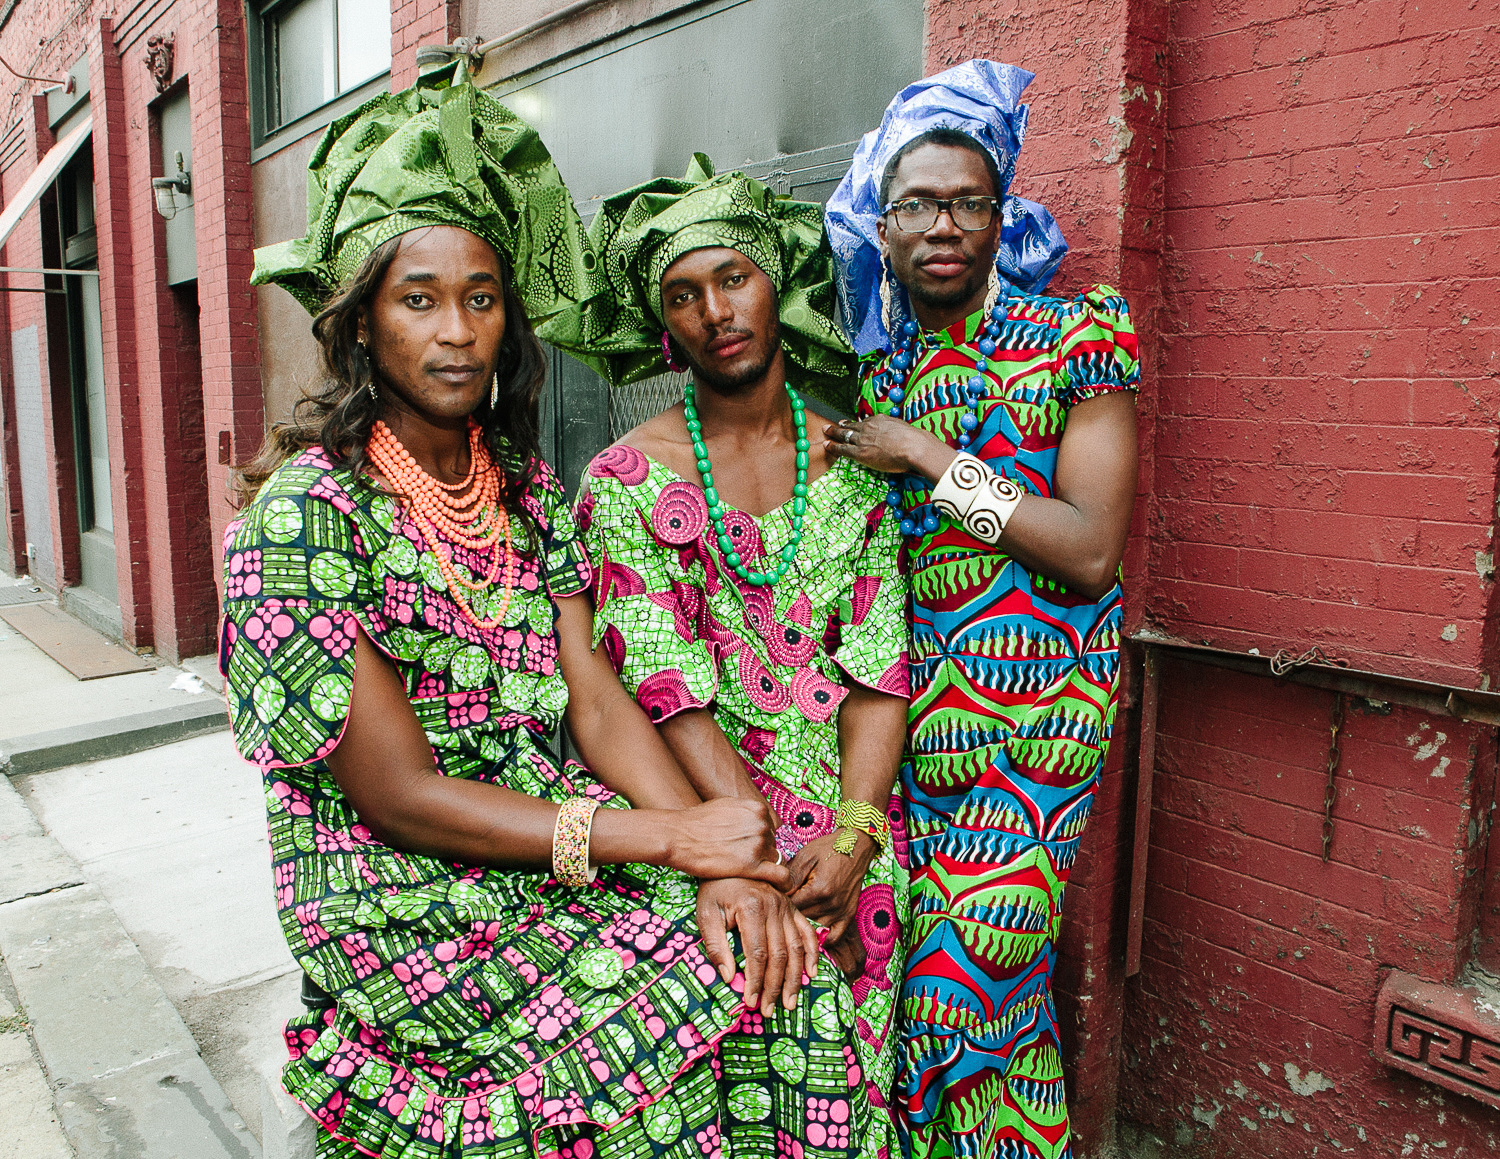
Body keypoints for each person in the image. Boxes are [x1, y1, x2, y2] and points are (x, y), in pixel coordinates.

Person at [229, 70, 820, 1159]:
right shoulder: (306, 518)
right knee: (687, 999)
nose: (456, 332)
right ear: (361, 322)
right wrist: (670, 837)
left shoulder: (531, 493)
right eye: (418, 299)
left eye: (483, 297)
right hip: (397, 891)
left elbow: (595, 704)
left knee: (782, 969)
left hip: (551, 841)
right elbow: (399, 794)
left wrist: (719, 860)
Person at [557, 156, 912, 1158]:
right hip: (702, 831)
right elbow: (666, 692)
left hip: (847, 838)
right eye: (684, 294)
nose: (715, 309)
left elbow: (879, 674)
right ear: (664, 327)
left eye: (733, 278)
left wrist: (851, 833)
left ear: (774, 284)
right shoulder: (626, 482)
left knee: (853, 1083)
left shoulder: (855, 474)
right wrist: (750, 851)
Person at [823, 61, 1142, 1159]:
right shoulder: (880, 368)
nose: (944, 225)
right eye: (918, 205)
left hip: (1038, 728)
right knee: (961, 1013)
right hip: (913, 733)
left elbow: (1092, 548)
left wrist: (928, 455)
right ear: (887, 221)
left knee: (962, 994)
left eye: (969, 201)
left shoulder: (1076, 337)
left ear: (1000, 216)